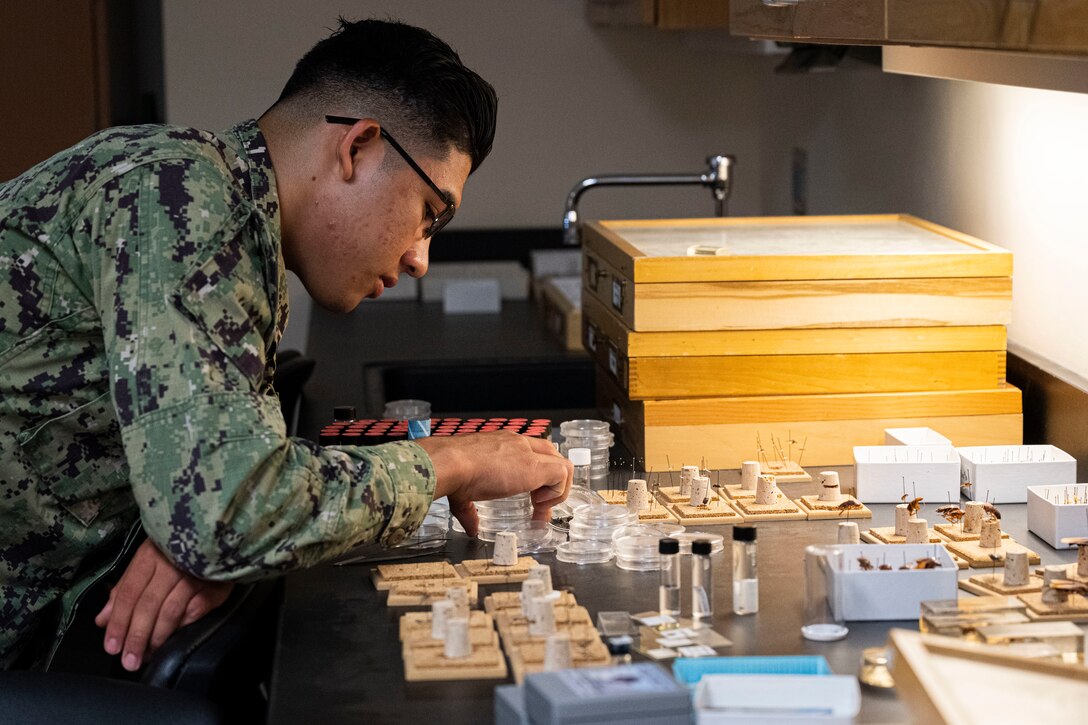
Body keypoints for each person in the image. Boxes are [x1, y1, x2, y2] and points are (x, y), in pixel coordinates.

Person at [0, 18, 572, 671]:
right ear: (357, 147)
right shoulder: (180, 194)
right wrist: (450, 462)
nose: (420, 257)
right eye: (429, 213)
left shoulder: (237, 220)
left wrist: (200, 523)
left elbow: (227, 496)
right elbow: (229, 517)